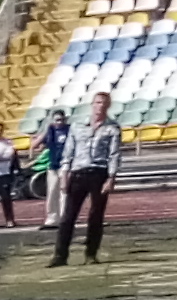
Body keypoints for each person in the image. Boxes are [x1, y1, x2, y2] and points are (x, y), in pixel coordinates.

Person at [51, 88, 123, 264]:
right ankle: (60, 255)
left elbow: (114, 154)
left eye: (104, 104)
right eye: (98, 103)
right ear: (92, 105)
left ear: (108, 106)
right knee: (68, 216)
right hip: (78, 172)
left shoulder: (112, 128)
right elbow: (68, 152)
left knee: (96, 215)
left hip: (99, 172)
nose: (100, 107)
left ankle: (91, 253)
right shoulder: (77, 126)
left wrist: (111, 178)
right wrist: (64, 174)